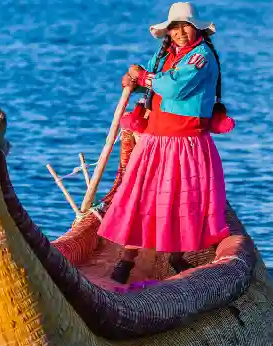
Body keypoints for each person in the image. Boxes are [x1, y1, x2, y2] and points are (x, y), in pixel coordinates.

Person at [97, 2, 232, 284]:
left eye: (186, 26)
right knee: (142, 197)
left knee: (184, 199)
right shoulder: (165, 55)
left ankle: (177, 255)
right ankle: (127, 260)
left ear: (197, 29)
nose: (181, 32)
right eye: (175, 27)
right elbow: (150, 74)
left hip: (185, 143)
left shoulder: (201, 57)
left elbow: (173, 86)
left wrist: (142, 77)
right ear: (168, 32)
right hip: (156, 140)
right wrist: (132, 78)